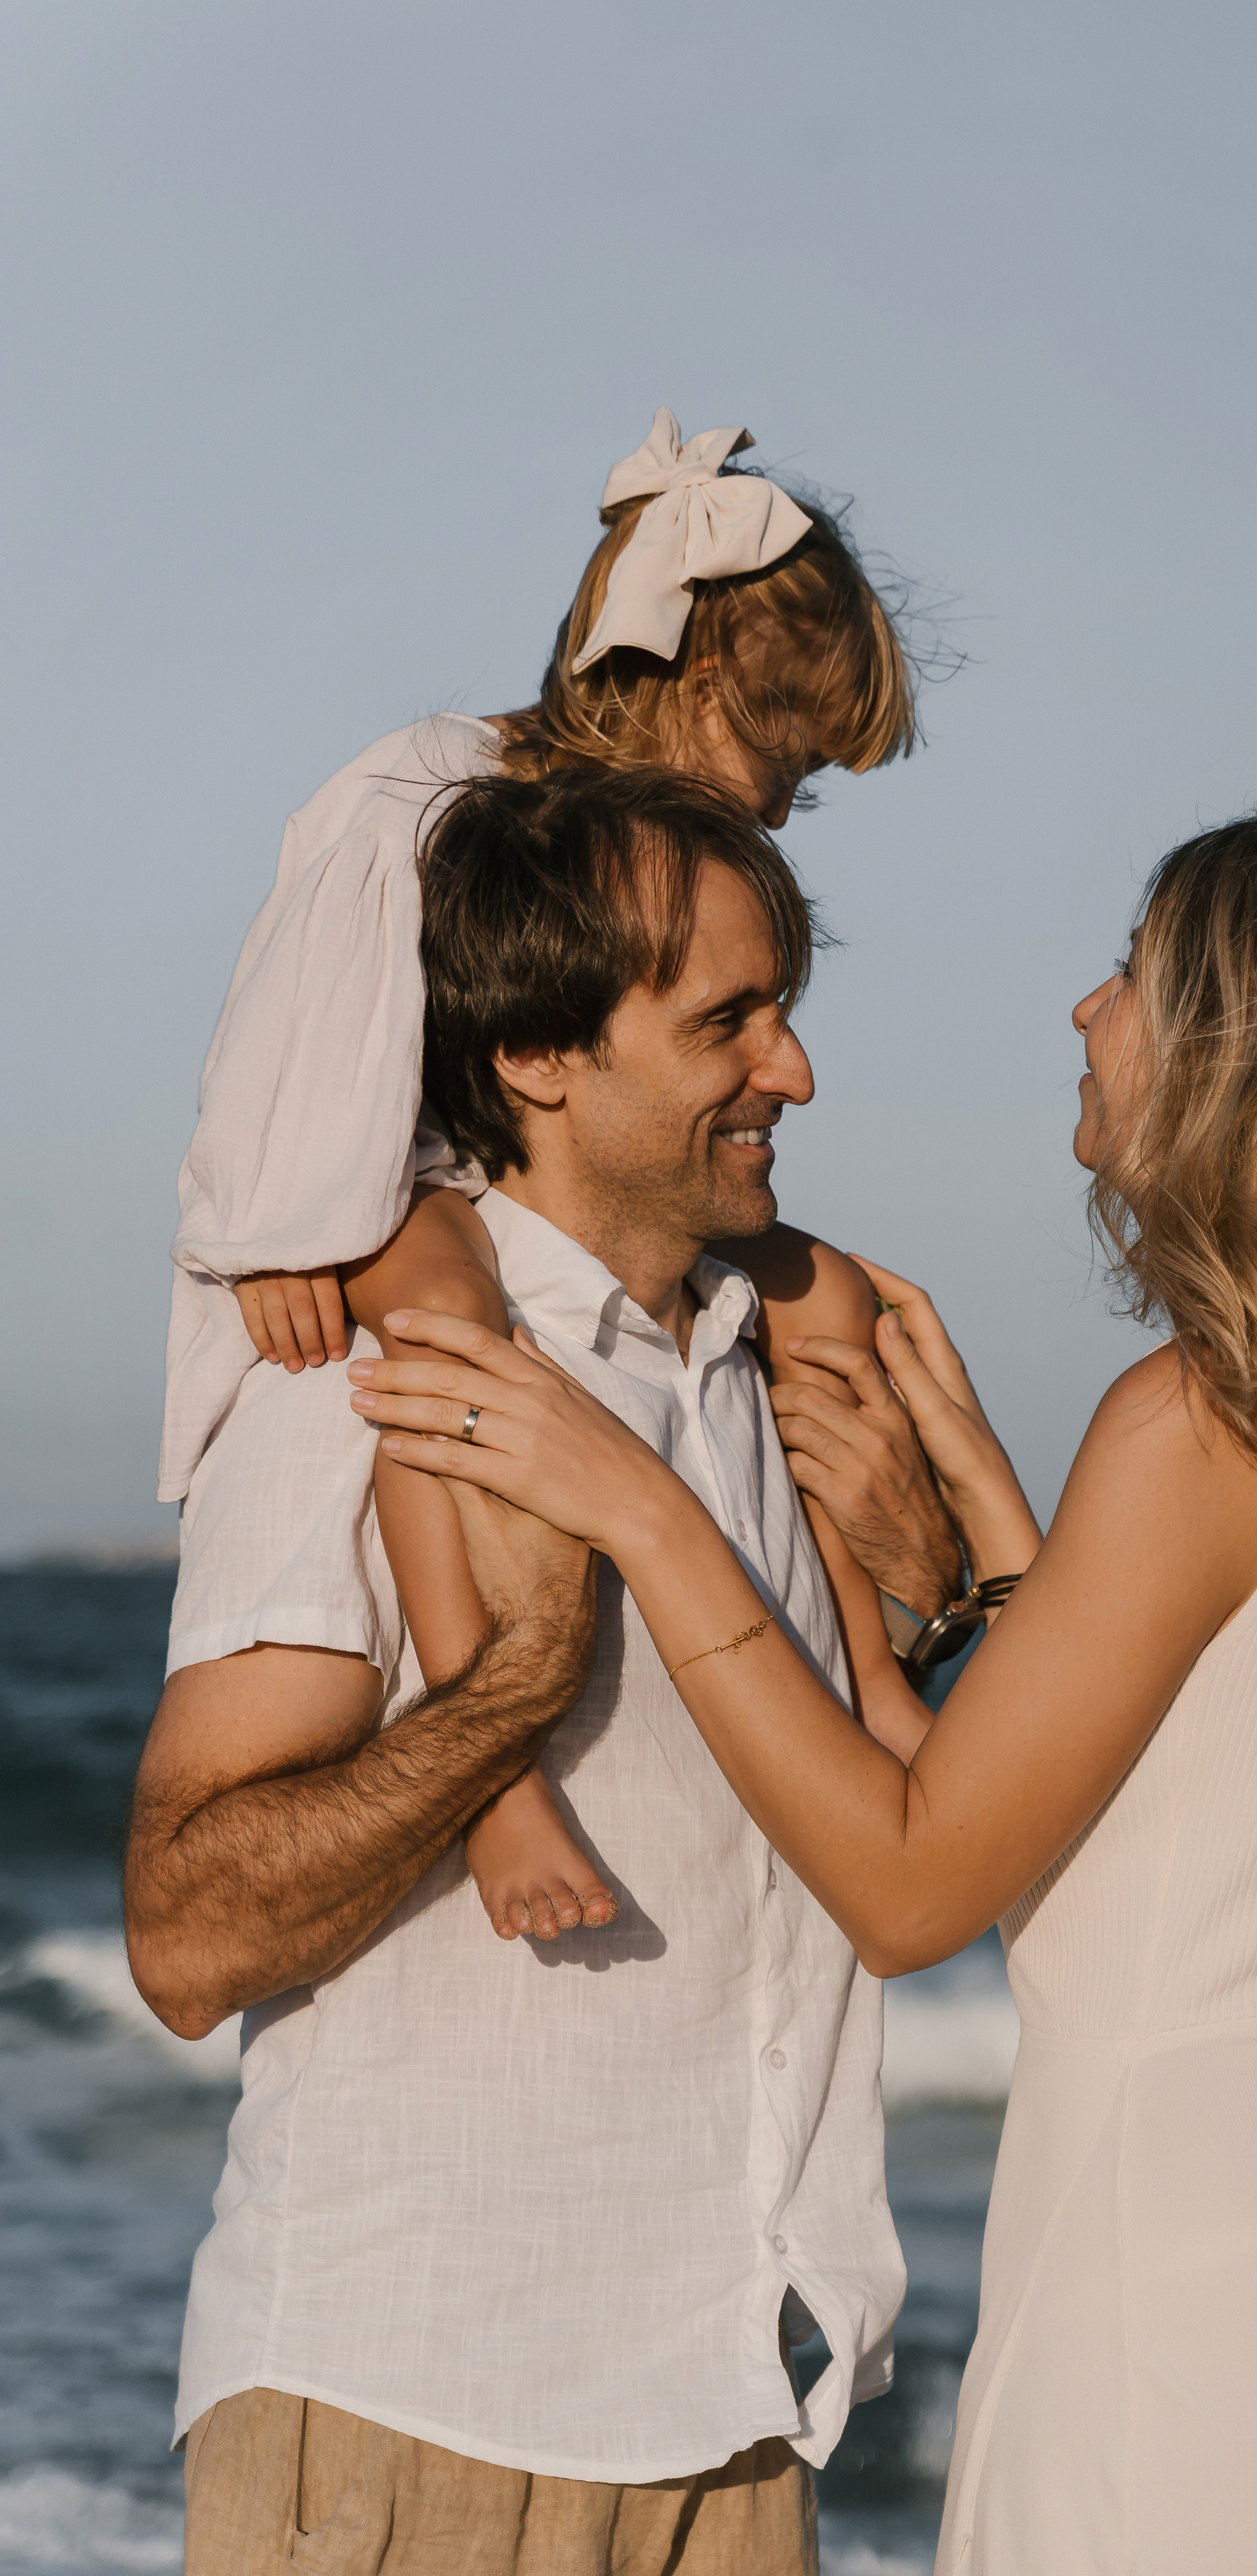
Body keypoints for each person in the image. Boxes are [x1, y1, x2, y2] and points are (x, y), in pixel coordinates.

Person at [354, 810, 1257, 2576]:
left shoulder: (1192, 1420)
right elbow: (1115, 1850)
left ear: (1235, 1050)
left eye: (1131, 973)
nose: (1081, 1010)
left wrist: (646, 1511)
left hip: (1169, 2310)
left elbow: (907, 1889)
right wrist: (971, 1555)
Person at [128, 769, 961, 2575]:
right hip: (415, 2407)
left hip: (740, 2422)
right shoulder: (360, 1377)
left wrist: (949, 1584)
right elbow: (187, 1935)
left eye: (785, 1012)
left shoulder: (781, 1392)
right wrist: (511, 1691)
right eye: (727, 1021)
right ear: (537, 1057)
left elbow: (913, 1844)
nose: (794, 1071)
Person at [159, 407, 955, 1942]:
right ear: (690, 682)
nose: (779, 808)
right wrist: (279, 1234)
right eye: (775, 762)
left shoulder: (650, 860)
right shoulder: (439, 797)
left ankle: (873, 1681)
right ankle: (499, 1747)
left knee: (827, 1293)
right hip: (371, 1205)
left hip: (509, 1195)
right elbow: (285, 1048)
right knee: (456, 1346)